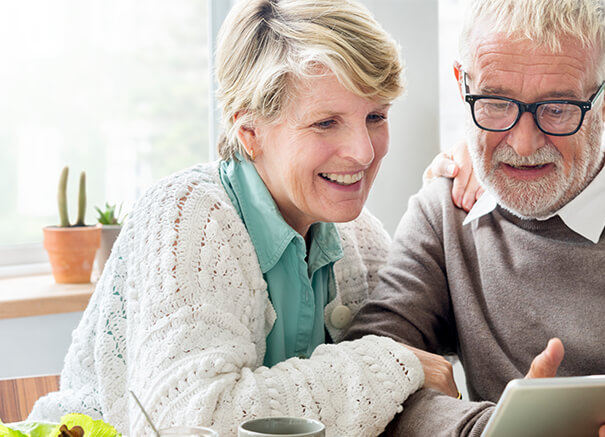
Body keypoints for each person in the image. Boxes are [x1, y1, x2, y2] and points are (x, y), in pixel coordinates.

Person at [27, 1, 481, 435]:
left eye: (376, 116)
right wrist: (389, 364)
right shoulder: (187, 216)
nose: (364, 151)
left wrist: (481, 170)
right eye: (326, 122)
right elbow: (190, 421)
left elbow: (423, 342)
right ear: (249, 132)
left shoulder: (356, 235)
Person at [346, 0, 605, 436]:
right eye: (496, 103)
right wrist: (494, 429)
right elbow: (365, 379)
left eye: (558, 109)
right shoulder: (443, 214)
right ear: (462, 85)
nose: (523, 145)